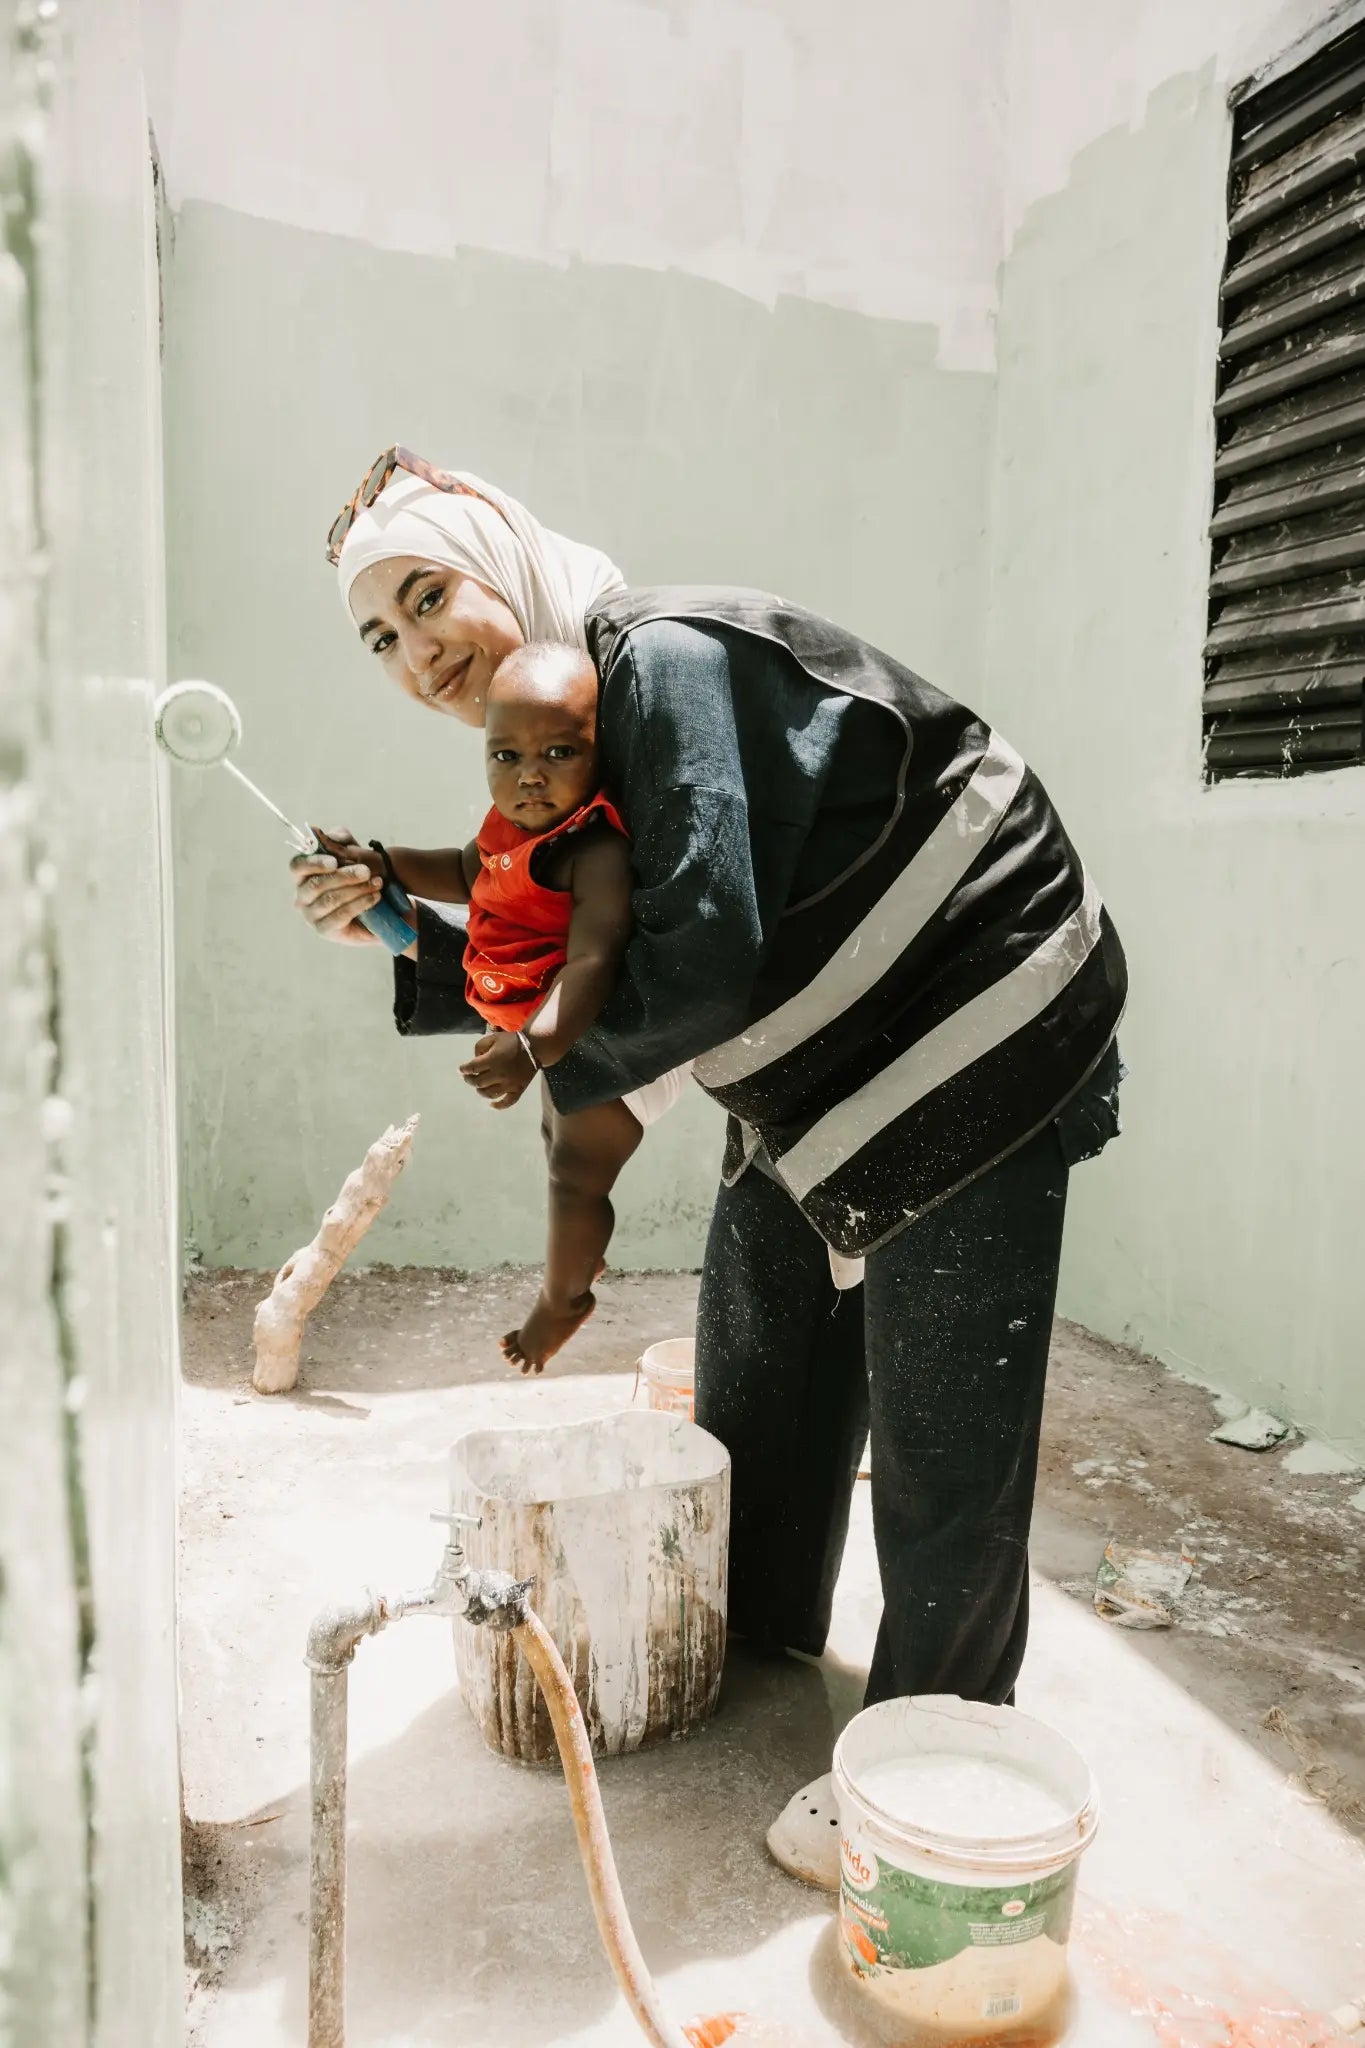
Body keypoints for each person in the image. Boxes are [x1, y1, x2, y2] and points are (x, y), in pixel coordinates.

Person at [295, 448, 1127, 1887]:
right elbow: (554, 959)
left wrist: (547, 1065)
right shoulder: (561, 749)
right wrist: (391, 924)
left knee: (941, 1427)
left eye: (429, 595)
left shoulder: (658, 666)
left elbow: (697, 957)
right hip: (818, 1051)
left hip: (979, 1006)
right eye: (382, 635)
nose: (416, 649)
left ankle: (939, 1740)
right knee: (761, 1353)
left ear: (506, 557)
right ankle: (750, 1629)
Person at [326, 638, 691, 1373]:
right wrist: (385, 862)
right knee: (559, 1155)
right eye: (505, 756)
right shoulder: (509, 828)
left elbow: (592, 961)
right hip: (549, 1038)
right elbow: (467, 871)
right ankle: (578, 1261)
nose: (529, 777)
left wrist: (529, 1047)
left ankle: (563, 1299)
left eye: (559, 753)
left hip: (601, 1036)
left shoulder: (593, 850)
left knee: (575, 1174)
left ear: (599, 754)